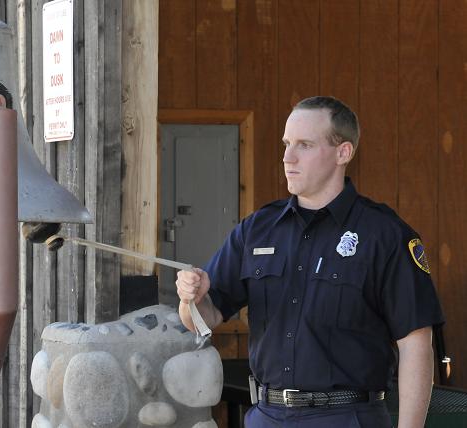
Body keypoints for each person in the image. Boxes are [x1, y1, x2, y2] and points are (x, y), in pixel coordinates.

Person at [176, 96, 444, 428]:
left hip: (346, 417)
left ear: (343, 153)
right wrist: (192, 300)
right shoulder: (257, 229)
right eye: (287, 144)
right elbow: (204, 319)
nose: (287, 157)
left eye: (304, 145)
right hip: (267, 416)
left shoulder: (384, 235)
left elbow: (416, 342)